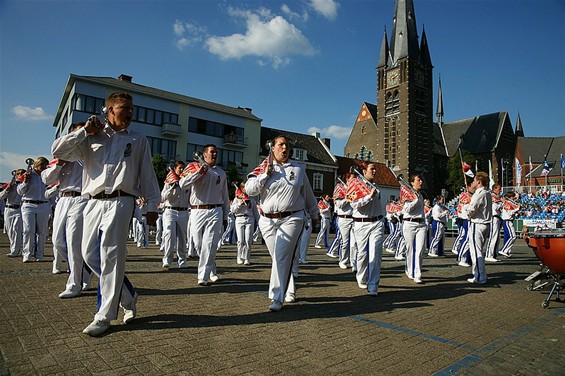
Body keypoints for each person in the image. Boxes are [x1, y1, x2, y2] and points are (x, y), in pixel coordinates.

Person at [52, 91, 161, 336]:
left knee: (111, 255)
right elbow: (58, 150)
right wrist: (84, 131)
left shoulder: (137, 139)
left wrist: (152, 205)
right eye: (124, 107)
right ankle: (128, 295)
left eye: (132, 108)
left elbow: (147, 175)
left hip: (121, 201)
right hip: (91, 201)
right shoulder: (92, 138)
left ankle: (104, 315)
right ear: (110, 109)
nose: (130, 112)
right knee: (88, 255)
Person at [245, 135, 319, 311]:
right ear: (272, 148)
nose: (285, 148)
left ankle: (277, 297)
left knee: (281, 256)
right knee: (278, 258)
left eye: (286, 145)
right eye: (281, 144)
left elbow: (307, 193)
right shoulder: (262, 168)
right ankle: (290, 289)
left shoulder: (298, 168)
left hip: (292, 218)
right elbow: (249, 189)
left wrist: (314, 213)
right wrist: (265, 174)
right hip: (267, 220)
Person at [42, 124, 93, 297]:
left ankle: (74, 283)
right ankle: (83, 272)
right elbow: (47, 179)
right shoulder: (62, 153)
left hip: (81, 198)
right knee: (57, 241)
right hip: (62, 198)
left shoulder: (88, 152)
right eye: (77, 132)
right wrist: (58, 166)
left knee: (73, 242)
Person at [179, 144, 229, 286]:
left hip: (215, 210)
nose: (214, 155)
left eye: (216, 153)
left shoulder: (221, 173)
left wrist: (225, 215)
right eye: (212, 152)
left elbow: (224, 196)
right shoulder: (195, 167)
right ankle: (211, 268)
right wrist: (199, 173)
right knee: (198, 243)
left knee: (210, 243)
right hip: (197, 210)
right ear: (204, 154)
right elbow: (182, 184)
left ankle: (203, 276)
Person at [347, 162, 385, 295]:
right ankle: (361, 277)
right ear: (364, 171)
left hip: (377, 222)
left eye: (375, 169)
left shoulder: (376, 185)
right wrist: (369, 197)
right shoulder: (354, 184)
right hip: (361, 224)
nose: (374, 171)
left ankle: (373, 285)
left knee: (376, 253)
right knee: (362, 254)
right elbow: (352, 204)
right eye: (371, 169)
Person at [17, 157, 50, 263]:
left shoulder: (47, 176)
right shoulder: (28, 175)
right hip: (29, 205)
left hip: (44, 205)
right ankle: (26, 254)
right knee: (28, 230)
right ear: (36, 165)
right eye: (42, 165)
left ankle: (40, 254)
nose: (44, 167)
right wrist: (25, 182)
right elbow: (20, 191)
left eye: (46, 165)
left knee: (42, 231)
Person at [161, 161, 189, 269]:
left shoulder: (186, 181)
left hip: (183, 211)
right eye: (180, 168)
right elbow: (163, 196)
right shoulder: (169, 181)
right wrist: (173, 187)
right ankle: (167, 259)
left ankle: (182, 261)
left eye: (183, 168)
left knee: (182, 238)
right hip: (170, 211)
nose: (181, 170)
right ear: (175, 169)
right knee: (169, 235)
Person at [465, 171, 492, 284]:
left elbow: (472, 209)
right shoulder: (487, 193)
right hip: (485, 224)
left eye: (475, 180)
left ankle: (480, 276)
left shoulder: (479, 193)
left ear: (479, 182)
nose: (473, 182)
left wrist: (466, 211)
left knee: (476, 251)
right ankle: (478, 274)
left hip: (478, 224)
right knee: (478, 250)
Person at [401, 174, 426, 284]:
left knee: (420, 250)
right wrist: (415, 200)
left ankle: (418, 274)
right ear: (412, 183)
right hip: (409, 223)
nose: (421, 182)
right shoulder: (408, 194)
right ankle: (409, 269)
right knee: (410, 248)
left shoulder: (420, 194)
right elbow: (407, 209)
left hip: (421, 224)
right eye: (418, 180)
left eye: (421, 180)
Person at [1, 169, 25, 258]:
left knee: (16, 229)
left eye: (21, 174)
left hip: (19, 209)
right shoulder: (10, 185)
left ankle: (14, 250)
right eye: (18, 174)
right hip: (8, 209)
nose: (20, 176)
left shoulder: (24, 185)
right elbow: (1, 197)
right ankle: (15, 247)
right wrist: (7, 190)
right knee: (9, 231)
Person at [231, 182, 255, 265]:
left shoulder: (251, 199)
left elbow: (255, 211)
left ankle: (247, 258)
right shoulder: (237, 198)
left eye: (246, 187)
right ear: (241, 189)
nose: (245, 189)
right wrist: (239, 204)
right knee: (240, 240)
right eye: (243, 188)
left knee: (248, 240)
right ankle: (239, 256)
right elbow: (232, 210)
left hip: (250, 219)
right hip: (239, 219)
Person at [498, 191, 520, 258]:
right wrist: (517, 209)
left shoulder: (508, 203)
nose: (514, 198)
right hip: (507, 221)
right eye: (513, 197)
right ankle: (504, 250)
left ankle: (506, 251)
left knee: (509, 237)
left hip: (508, 221)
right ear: (511, 197)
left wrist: (516, 213)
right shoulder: (508, 203)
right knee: (512, 236)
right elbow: (509, 213)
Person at [485, 183, 502, 262]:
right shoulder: (492, 196)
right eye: (499, 189)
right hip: (493, 217)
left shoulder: (497, 197)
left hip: (497, 217)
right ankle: (489, 254)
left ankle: (494, 254)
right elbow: (494, 207)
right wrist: (502, 203)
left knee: (497, 237)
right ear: (494, 189)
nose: (500, 191)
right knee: (493, 236)